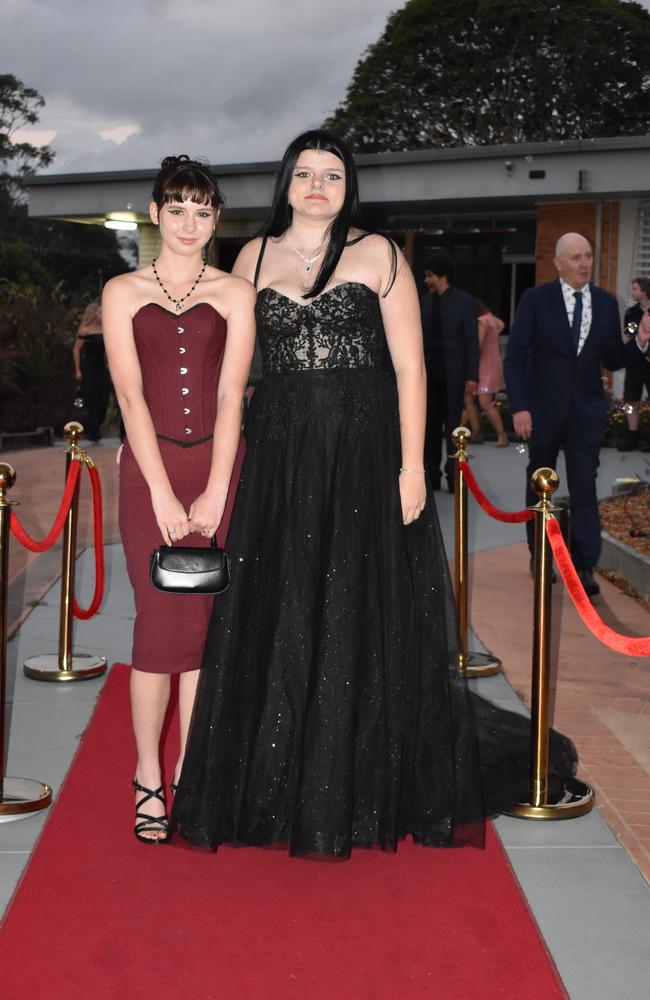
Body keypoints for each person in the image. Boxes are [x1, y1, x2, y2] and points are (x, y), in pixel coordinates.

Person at [172, 130, 577, 859]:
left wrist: (413, 468)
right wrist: (212, 477)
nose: (318, 186)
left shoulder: (380, 253)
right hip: (282, 455)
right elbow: (231, 380)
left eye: (331, 174)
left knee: (355, 603)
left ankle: (352, 780)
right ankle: (275, 779)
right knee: (286, 604)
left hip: (363, 454)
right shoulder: (250, 258)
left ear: (347, 184)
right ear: (285, 184)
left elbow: (412, 370)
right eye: (304, 174)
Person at [102, 156, 255, 843]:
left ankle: (192, 774)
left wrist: (219, 488)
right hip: (149, 475)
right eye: (177, 208)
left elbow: (231, 396)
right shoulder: (122, 290)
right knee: (156, 629)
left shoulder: (235, 293)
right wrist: (162, 490)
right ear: (155, 212)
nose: (190, 223)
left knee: (201, 632)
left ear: (215, 218)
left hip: (220, 470)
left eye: (203, 211)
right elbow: (130, 397)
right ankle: (146, 776)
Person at [504, 233, 650, 598]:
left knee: (584, 487)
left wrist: (642, 342)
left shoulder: (605, 303)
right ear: (558, 263)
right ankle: (540, 557)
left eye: (588, 256)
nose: (585, 263)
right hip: (542, 412)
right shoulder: (535, 300)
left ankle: (583, 565)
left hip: (586, 414)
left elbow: (614, 358)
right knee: (540, 485)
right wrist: (520, 406)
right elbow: (516, 357)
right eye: (576, 257)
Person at [420, 256, 478, 492]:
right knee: (429, 429)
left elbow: (471, 342)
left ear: (441, 275)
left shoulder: (464, 302)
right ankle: (431, 476)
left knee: (455, 430)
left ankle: (455, 477)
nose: (426, 280)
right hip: (429, 376)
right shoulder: (424, 302)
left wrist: (472, 377)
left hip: (454, 376)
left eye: (429, 275)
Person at [463, 300, 509, 447]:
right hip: (490, 364)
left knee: (485, 402)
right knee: (469, 397)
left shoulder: (482, 321)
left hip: (484, 366)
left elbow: (477, 344)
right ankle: (476, 433)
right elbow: (501, 325)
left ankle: (502, 435)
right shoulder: (490, 318)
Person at [618, 276, 650, 452]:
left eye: (635, 289)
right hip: (635, 364)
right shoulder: (631, 312)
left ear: (644, 291)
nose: (632, 292)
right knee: (632, 400)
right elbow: (628, 336)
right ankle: (632, 438)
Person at [72, 302, 111, 441]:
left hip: (101, 367)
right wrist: (77, 370)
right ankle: (93, 433)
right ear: (93, 313)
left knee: (104, 400)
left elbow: (106, 350)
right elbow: (76, 349)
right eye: (100, 312)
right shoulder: (85, 330)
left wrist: (109, 365)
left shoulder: (104, 329)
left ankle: (96, 426)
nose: (102, 315)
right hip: (88, 367)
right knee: (92, 399)